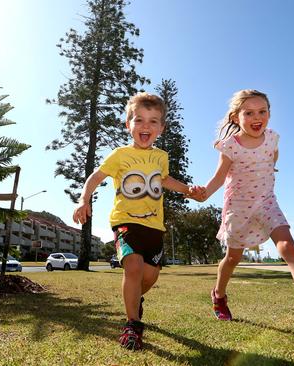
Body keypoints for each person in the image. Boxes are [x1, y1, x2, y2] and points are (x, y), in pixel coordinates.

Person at [197, 89, 294, 338]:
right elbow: (218, 178)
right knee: (233, 258)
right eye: (249, 113)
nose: (257, 117)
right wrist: (203, 192)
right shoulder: (230, 147)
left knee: (288, 246)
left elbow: (273, 157)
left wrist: (271, 168)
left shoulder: (272, 139)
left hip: (267, 202)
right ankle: (219, 295)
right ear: (236, 117)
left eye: (262, 111)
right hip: (238, 207)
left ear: (269, 114)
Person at [73, 92, 204, 350]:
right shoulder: (120, 155)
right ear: (128, 124)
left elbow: (164, 180)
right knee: (132, 267)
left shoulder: (161, 157)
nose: (146, 126)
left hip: (154, 226)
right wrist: (83, 199)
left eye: (153, 121)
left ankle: (134, 300)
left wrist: (189, 189)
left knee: (150, 276)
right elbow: (95, 177)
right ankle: (133, 325)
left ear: (162, 128)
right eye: (139, 120)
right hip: (126, 222)